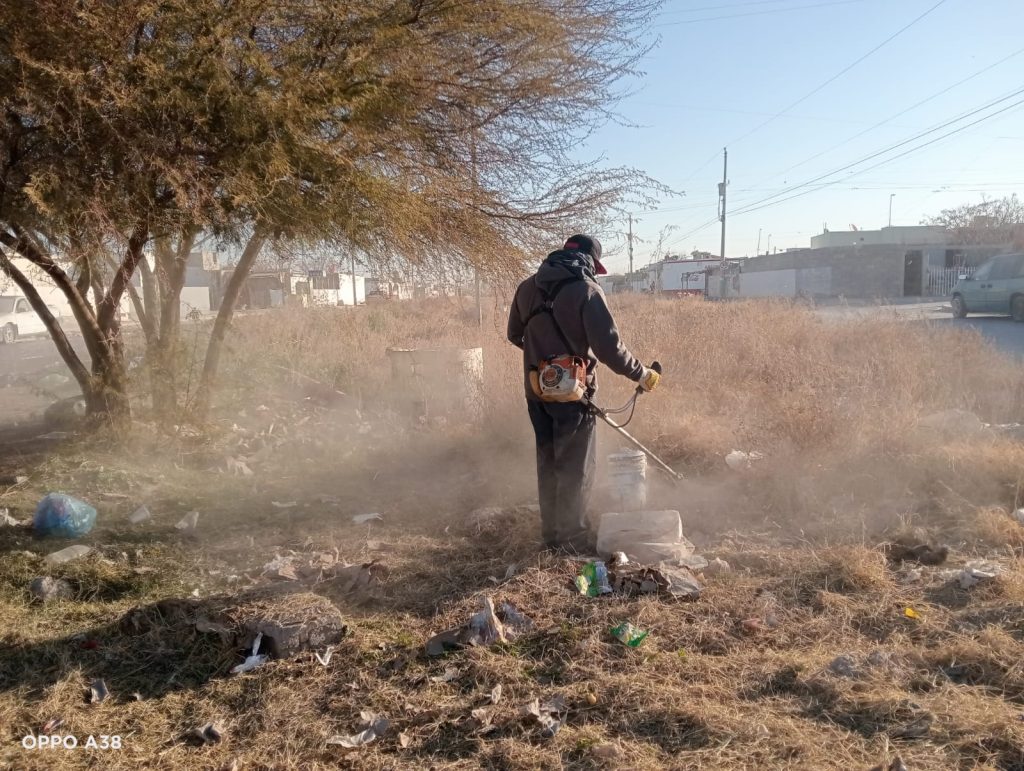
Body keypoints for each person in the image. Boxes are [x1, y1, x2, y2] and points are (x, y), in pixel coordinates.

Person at [507, 234, 660, 553]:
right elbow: (609, 349)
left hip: (536, 391)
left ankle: (551, 536)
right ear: (591, 261)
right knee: (576, 466)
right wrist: (642, 374)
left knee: (547, 462)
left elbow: (514, 334)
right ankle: (573, 540)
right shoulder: (587, 290)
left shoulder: (526, 287)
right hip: (574, 396)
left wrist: (545, 360)